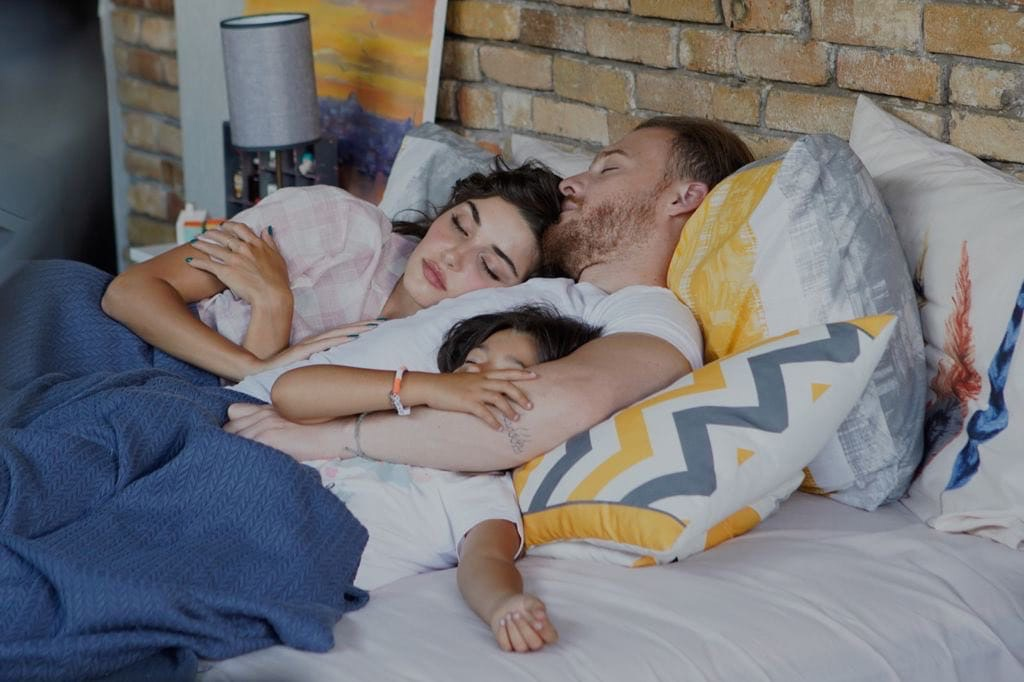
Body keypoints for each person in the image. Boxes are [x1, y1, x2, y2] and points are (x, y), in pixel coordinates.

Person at [225, 116, 755, 475]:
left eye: (609, 168)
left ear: (682, 198)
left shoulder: (646, 311)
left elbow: (565, 402)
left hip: (281, 437)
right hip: (250, 402)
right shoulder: (550, 287)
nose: (571, 184)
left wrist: (335, 437)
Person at [271, 305, 601, 652]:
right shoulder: (387, 409)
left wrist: (502, 605)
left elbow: (486, 559)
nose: (476, 375)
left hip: (293, 559)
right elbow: (288, 393)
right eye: (473, 361)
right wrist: (425, 387)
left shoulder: (476, 482)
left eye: (506, 375)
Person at [89, 160, 560, 382]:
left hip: (181, 402)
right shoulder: (341, 225)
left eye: (489, 266)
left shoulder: (444, 366)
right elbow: (130, 291)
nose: (454, 255)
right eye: (459, 224)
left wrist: (272, 307)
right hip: (118, 340)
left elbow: (243, 404)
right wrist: (256, 359)